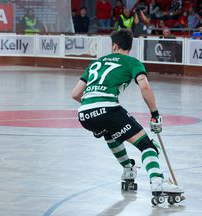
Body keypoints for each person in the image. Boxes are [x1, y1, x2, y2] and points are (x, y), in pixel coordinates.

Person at [71, 30, 184, 200]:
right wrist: (155, 115)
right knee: (148, 146)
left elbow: (75, 94)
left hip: (84, 115)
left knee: (110, 133)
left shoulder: (96, 62)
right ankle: (158, 181)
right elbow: (144, 86)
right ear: (129, 48)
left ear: (114, 45)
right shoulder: (132, 62)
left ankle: (128, 170)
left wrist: (93, 110)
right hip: (108, 109)